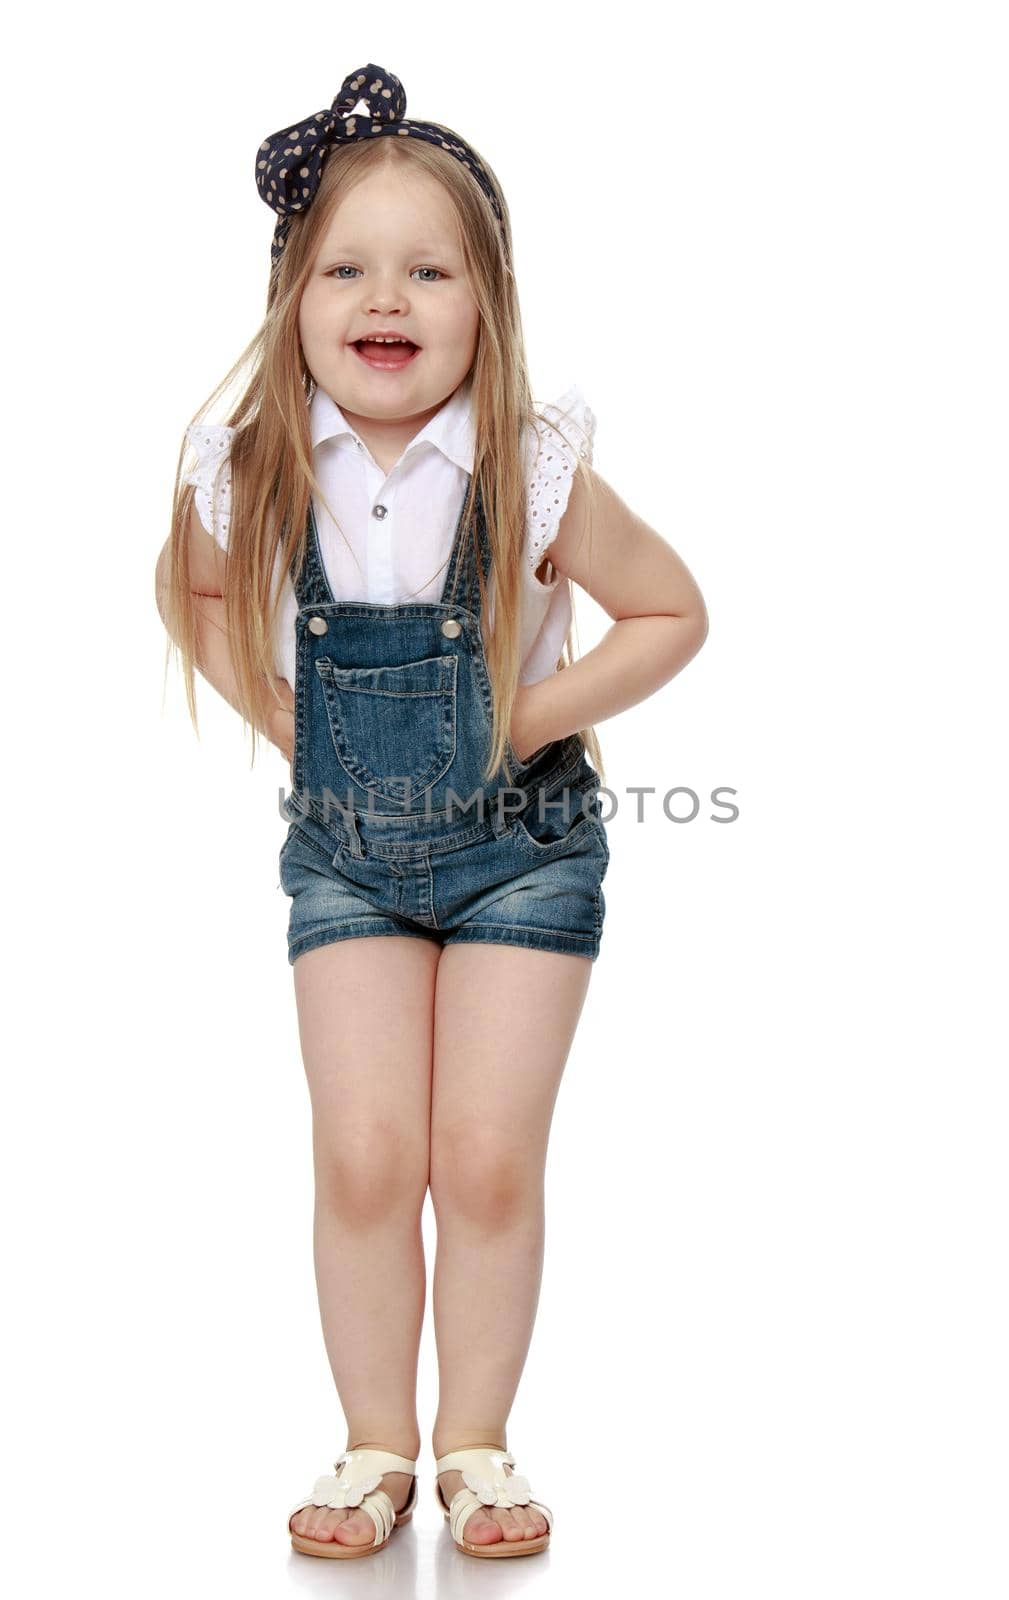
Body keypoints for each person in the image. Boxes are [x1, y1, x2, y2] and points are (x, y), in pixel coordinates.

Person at [155, 63, 708, 1561]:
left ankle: (472, 1441)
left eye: (426, 268)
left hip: (522, 856)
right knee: (361, 1151)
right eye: (344, 266)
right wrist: (283, 716)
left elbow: (667, 611)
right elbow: (193, 592)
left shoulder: (525, 463)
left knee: (479, 1156)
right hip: (346, 858)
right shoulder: (259, 461)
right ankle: (371, 1447)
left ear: (486, 301)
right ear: (293, 296)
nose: (381, 295)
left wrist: (517, 717)